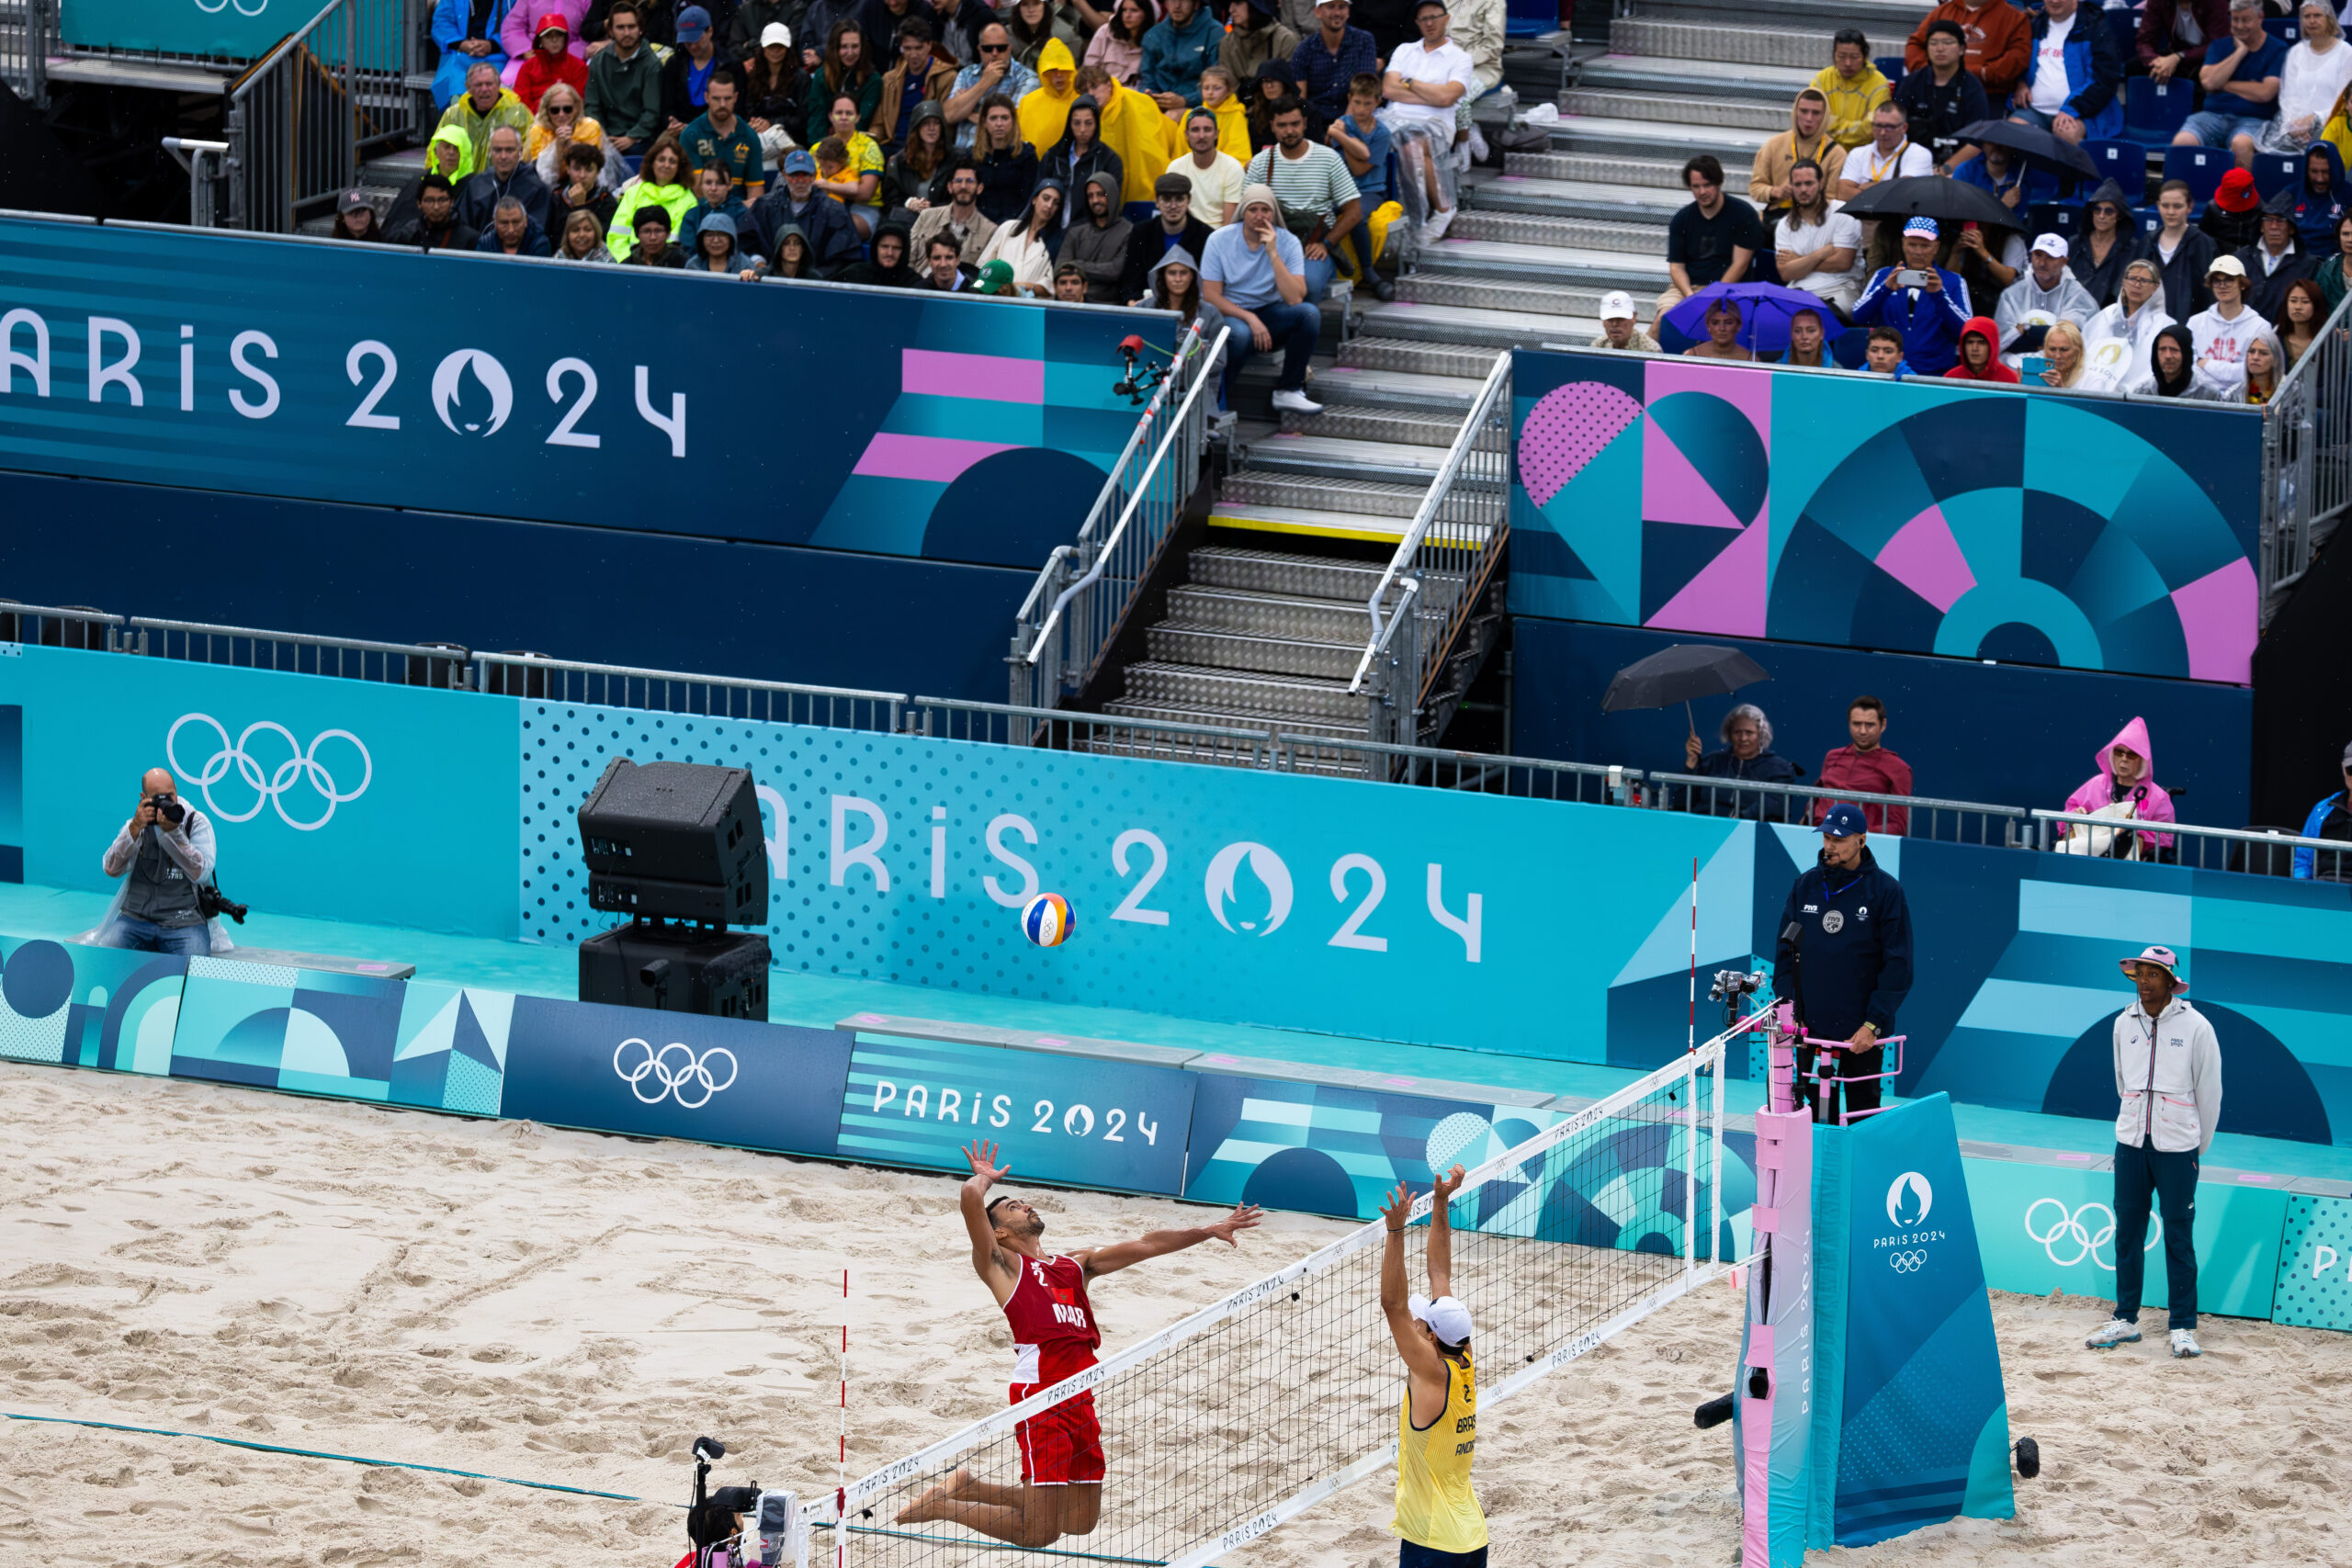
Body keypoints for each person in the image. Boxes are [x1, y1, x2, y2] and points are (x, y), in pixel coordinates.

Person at [894, 1141, 1262, 1549]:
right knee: (1040, 1532)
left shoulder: (1075, 1265)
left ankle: (969, 1485)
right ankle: (946, 1507)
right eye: (1014, 1207)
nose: (1026, 1206)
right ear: (998, 1231)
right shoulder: (1001, 1265)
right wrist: (983, 1177)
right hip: (1042, 1396)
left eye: (1024, 1202)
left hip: (1080, 1396)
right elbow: (968, 1198)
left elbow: (1147, 1244)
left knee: (1080, 1519)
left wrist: (1207, 1231)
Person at [2084, 947, 2220, 1361]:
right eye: (2138, 974)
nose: (2143, 982)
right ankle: (2126, 1319)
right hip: (2129, 1144)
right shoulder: (2122, 1024)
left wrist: (2196, 1146)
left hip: (2178, 1148)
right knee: (2127, 1233)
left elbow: (2209, 1093)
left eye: (2151, 976)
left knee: (2179, 1237)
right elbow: (2122, 1079)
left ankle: (2182, 1327)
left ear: (2170, 981)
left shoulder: (2197, 1027)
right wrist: (2133, 1123)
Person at [1773, 802, 1912, 1122]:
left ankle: (1860, 1175)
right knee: (1815, 1117)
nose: (1830, 845)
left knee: (1863, 1116)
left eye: (1839, 839)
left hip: (1860, 1034)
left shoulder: (1886, 891)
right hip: (1810, 1029)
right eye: (1826, 837)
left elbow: (1899, 965)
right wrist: (1790, 1010)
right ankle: (1818, 1174)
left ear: (1861, 841)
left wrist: (1873, 1024)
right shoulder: (1805, 885)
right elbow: (1784, 955)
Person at [1376, 1165, 1486, 1568]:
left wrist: (1395, 1232)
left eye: (1423, 1322)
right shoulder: (1463, 1355)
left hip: (1435, 1545)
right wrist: (1441, 1201)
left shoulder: (1432, 1373)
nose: (1416, 1322)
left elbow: (1393, 1307)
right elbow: (1440, 1271)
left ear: (1432, 1338)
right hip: (1472, 1537)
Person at [1201, 183, 1321, 412]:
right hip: (1231, 312)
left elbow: (1295, 298)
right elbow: (1210, 296)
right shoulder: (1219, 239)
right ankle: (1215, 402)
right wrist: (1249, 318)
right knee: (1241, 333)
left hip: (1270, 311)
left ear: (1273, 214)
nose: (1259, 216)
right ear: (1243, 213)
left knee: (1309, 314)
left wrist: (1273, 252)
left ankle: (1290, 390)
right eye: (1252, 210)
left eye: (1265, 210)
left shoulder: (1288, 241)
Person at [96, 769, 220, 958]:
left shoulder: (195, 822)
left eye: (170, 795)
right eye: (158, 798)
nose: (166, 802)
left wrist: (173, 834)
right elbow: (110, 868)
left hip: (185, 920)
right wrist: (134, 829)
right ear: (143, 797)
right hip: (135, 919)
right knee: (106, 961)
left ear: (176, 790)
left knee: (194, 970)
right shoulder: (137, 825)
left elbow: (201, 872)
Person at [1246, 98, 1361, 299]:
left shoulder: (1328, 158)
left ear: (1305, 123)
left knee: (1309, 286)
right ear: (1272, 126)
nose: (1289, 131)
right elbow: (1245, 211)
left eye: (1295, 124)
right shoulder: (1260, 162)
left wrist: (1326, 243)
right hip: (1271, 244)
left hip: (1313, 246)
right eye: (1282, 125)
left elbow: (1354, 211)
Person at [1381, 0, 1474, 240]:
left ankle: (1434, 213)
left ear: (1446, 18)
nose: (1430, 23)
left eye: (1434, 17)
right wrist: (1432, 94)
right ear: (1417, 23)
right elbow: (1389, 90)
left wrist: (1410, 82)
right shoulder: (1404, 50)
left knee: (1411, 144)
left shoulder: (1460, 57)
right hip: (1393, 117)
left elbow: (1448, 97)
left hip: (1436, 125)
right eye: (1424, 19)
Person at [1852, 215, 1972, 374]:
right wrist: (1885, 288)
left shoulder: (1953, 281)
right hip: (1888, 373)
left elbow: (1966, 331)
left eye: (1925, 246)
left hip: (1934, 375)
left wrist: (1939, 296)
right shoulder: (1884, 276)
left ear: (1936, 247)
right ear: (1903, 244)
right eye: (1912, 245)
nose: (1918, 252)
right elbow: (1859, 316)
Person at [2176, 0, 2287, 169]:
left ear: (2260, 17)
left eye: (2246, 20)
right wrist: (2240, 52)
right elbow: (2208, 82)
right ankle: (2182, 195)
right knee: (2182, 142)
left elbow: (2265, 92)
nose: (2240, 26)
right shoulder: (2219, 46)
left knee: (2241, 145)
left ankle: (2240, 194)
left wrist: (2224, 84)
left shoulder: (2277, 48)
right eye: (2235, 20)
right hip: (2212, 116)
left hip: (2253, 120)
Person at [1657, 153, 1764, 319]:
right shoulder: (1682, 219)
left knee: (1716, 321)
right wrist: (1690, 296)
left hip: (1731, 288)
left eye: (1707, 185)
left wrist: (1713, 296)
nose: (1702, 192)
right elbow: (1676, 267)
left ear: (1718, 182)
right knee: (1663, 320)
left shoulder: (1743, 214)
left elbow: (1740, 264)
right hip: (1688, 287)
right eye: (1696, 186)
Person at [2010, 0, 2123, 145]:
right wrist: (2021, 83)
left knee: (2067, 134)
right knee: (2010, 134)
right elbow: (2020, 60)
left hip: (2080, 113)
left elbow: (2105, 79)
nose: (2055, 1)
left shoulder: (2095, 26)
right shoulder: (2036, 25)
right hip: (2035, 110)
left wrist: (2072, 109)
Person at [2062, 717, 2177, 858]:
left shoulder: (2158, 797)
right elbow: (2067, 816)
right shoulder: (2095, 784)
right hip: (2089, 850)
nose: (2124, 759)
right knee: (2072, 833)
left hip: (2130, 861)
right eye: (2119, 752)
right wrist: (2077, 814)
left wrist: (2138, 833)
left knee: (2134, 837)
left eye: (2131, 754)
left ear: (2142, 760)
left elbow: (2164, 838)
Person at [1326, 73, 1392, 293]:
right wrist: (1351, 143)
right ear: (1349, 99)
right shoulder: (1342, 123)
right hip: (1341, 189)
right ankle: (1329, 260)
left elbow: (1360, 169)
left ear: (1377, 102)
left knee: (1357, 216)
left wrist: (1343, 138)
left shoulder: (1382, 133)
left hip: (1370, 190)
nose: (1362, 109)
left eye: (1367, 103)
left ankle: (1368, 270)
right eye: (1356, 102)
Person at [1894, 20, 1991, 167]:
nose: (1940, 48)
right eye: (1933, 43)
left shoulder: (1972, 87)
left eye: (1947, 42)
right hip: (1913, 163)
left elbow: (1976, 142)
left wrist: (1944, 170)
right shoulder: (1912, 83)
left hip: (1956, 166)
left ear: (1961, 49)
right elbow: (1895, 127)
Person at [1773, 159, 1863, 315]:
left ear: (1821, 184)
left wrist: (1798, 260)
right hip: (1798, 290)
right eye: (1797, 184)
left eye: (1809, 183)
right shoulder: (1784, 224)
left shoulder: (1843, 212)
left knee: (1820, 314)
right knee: (1772, 317)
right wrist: (1819, 255)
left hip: (1840, 289)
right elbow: (1786, 273)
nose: (1803, 189)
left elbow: (1843, 262)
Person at [1814, 696, 1912, 835]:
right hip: (1819, 838)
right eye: (1856, 724)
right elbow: (1814, 805)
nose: (1862, 731)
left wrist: (1863, 834)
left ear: (1883, 725)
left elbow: (1899, 825)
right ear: (1849, 723)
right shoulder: (1832, 757)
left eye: (1869, 725)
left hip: (1862, 845)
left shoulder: (1899, 768)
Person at [1996, 232, 2098, 364]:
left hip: (2061, 369)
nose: (2042, 263)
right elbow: (2002, 341)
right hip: (2012, 368)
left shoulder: (2077, 295)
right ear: (2031, 256)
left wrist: (2028, 330)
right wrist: (2044, 339)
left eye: (2051, 257)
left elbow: (2071, 337)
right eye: (2038, 255)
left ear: (2064, 262)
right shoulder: (2012, 294)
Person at [752, 145, 863, 266]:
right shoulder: (765, 206)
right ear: (784, 175)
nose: (800, 181)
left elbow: (844, 256)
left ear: (814, 175)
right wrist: (760, 264)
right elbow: (749, 241)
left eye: (805, 175)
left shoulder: (834, 211)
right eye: (794, 175)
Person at [1903, 0, 2031, 104]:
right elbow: (1914, 45)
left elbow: (2018, 58)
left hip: (1988, 95)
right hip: (1935, 90)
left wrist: (1983, 73)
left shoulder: (2015, 19)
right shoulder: (1941, 12)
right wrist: (1932, 70)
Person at [1749, 89, 1847, 221]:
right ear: (1795, 112)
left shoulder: (1837, 153)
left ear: (1825, 116)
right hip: (1778, 215)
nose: (1809, 118)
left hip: (1816, 219)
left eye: (1816, 113)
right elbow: (1755, 189)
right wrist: (1775, 191)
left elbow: (1833, 200)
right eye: (1804, 111)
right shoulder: (1774, 144)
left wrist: (1807, 194)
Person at [2083, 258, 2177, 388]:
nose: (2137, 285)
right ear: (2124, 282)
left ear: (2155, 287)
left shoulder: (2164, 324)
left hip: (2139, 395)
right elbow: (2084, 349)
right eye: (2132, 279)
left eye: (2144, 281)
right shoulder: (2107, 315)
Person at [945, 24, 1039, 151]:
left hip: (1001, 156)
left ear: (1009, 48)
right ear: (980, 49)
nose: (994, 54)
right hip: (963, 157)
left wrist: (967, 112)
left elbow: (1012, 125)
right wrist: (984, 83)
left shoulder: (1027, 78)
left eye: (1001, 48)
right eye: (988, 49)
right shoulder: (966, 74)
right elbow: (949, 115)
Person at [1121, 173, 1216, 298]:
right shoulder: (1141, 232)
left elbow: (1208, 285)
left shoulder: (1206, 235)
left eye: (1179, 199)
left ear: (1189, 200)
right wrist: (1132, 301)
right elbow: (1131, 278)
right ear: (1156, 201)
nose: (1173, 206)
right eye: (1166, 199)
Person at [585, 0, 663, 152]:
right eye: (620, 27)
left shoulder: (651, 64)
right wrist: (601, 136)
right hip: (605, 136)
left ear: (640, 29)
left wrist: (631, 137)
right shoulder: (598, 63)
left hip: (640, 139)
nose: (626, 33)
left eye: (631, 27)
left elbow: (652, 112)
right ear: (610, 32)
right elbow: (592, 107)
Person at [2187, 253, 2272, 391]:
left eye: (2229, 279)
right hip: (2201, 398)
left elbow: (2253, 370)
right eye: (2216, 281)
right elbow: (2189, 367)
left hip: (2243, 401)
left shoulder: (2260, 326)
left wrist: (2207, 364)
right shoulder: (2195, 322)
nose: (2222, 285)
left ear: (2242, 284)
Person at [2138, 177, 2220, 320]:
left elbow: (2211, 295)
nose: (2170, 212)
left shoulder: (2204, 245)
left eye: (2177, 206)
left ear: (2190, 207)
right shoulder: (2148, 241)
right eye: (2165, 205)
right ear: (2158, 206)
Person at [1683, 703, 1800, 798]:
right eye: (1737, 732)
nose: (1743, 738)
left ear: (1761, 734)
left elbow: (1775, 804)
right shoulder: (1712, 761)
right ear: (1729, 734)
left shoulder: (1779, 768)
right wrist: (1691, 763)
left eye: (1749, 733)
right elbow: (1682, 802)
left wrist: (1739, 819)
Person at [2278, 2, 2352, 152]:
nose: (2311, 21)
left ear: (2329, 18)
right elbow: (2287, 98)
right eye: (2307, 16)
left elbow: (2343, 101)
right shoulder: (2295, 52)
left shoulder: (2346, 53)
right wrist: (2293, 126)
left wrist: (2314, 120)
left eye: (2317, 15)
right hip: (2296, 129)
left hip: (2331, 126)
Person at [607, 130, 695, 255]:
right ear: (652, 163)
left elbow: (681, 244)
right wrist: (628, 263)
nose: (666, 165)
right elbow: (617, 236)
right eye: (661, 159)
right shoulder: (633, 193)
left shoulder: (688, 200)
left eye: (672, 161)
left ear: (679, 168)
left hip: (667, 268)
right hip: (628, 266)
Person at [684, 71, 769, 199]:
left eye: (727, 98)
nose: (722, 104)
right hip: (703, 209)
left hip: (739, 210)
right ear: (706, 97)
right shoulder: (691, 134)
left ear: (735, 97)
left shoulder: (749, 136)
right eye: (716, 99)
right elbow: (698, 189)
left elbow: (755, 188)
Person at [874, 19, 956, 152]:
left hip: (926, 148)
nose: (913, 55)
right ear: (901, 48)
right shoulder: (889, 79)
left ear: (929, 45)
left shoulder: (946, 77)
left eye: (918, 48)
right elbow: (878, 124)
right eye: (907, 48)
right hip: (892, 145)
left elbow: (945, 125)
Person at [2237, 188, 2316, 319]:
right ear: (2261, 227)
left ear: (2291, 228)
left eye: (2280, 220)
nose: (2274, 226)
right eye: (2268, 220)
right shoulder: (2241, 259)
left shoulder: (2308, 265)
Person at [978, 178, 1066, 294]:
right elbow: (983, 266)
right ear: (1034, 199)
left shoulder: (1057, 242)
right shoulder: (1008, 228)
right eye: (1046, 198)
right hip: (995, 299)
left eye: (1056, 202)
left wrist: (1016, 288)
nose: (1049, 205)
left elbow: (1050, 286)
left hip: (1030, 307)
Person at [1293, 0, 1377, 120]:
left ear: (1348, 12)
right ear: (1318, 12)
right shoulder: (1303, 49)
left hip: (1354, 117)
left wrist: (1342, 126)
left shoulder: (1364, 41)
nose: (1337, 13)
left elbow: (1364, 88)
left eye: (1342, 7)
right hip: (1316, 120)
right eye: (1331, 7)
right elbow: (1301, 98)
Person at [458, 124, 552, 231]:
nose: (503, 156)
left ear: (520, 152)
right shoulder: (476, 185)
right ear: (489, 152)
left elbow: (537, 233)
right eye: (497, 150)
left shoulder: (536, 189)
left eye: (509, 150)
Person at [439, 61, 536, 165]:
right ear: (468, 87)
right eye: (478, 85)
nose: (484, 89)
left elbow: (530, 151)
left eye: (489, 84)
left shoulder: (519, 113)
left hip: (506, 178)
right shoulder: (454, 115)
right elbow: (437, 151)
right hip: (462, 179)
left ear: (499, 85)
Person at [1832, 101, 1932, 200]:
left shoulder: (1919, 154)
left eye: (1889, 127)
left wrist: (1867, 187)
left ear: (1904, 128)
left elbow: (1904, 193)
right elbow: (1842, 193)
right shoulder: (1857, 153)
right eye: (1878, 126)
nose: (1883, 132)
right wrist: (1888, 189)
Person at [1042, 94, 1125, 212]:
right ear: (1070, 125)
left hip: (1089, 228)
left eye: (1088, 123)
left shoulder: (1109, 159)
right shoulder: (1054, 156)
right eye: (1076, 123)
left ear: (1096, 124)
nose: (1082, 130)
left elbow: (1112, 205)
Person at [739, 21, 808, 163]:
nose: (775, 51)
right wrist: (755, 124)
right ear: (763, 48)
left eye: (780, 47)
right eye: (771, 46)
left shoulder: (801, 77)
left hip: (791, 140)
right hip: (759, 137)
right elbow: (747, 111)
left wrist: (771, 124)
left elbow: (803, 117)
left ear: (787, 48)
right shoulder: (753, 76)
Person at [805, 20, 883, 143]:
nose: (850, 53)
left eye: (855, 46)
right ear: (835, 47)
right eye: (844, 47)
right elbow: (817, 117)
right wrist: (819, 147)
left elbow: (862, 120)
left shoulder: (872, 79)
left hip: (857, 144)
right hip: (825, 144)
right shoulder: (822, 75)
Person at [431, 0, 518, 109]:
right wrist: (461, 44)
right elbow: (441, 23)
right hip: (459, 55)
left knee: (498, 88)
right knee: (456, 89)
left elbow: (516, 27)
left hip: (498, 55)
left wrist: (492, 45)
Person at [1812, 28, 1890, 149]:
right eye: (1841, 56)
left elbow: (1871, 129)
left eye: (1854, 57)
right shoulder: (1821, 80)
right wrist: (1858, 127)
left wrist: (1831, 124)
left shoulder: (1879, 84)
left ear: (1865, 56)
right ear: (1834, 55)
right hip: (1825, 150)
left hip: (1863, 153)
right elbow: (1813, 120)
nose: (1847, 63)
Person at [909, 157, 999, 260]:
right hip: (922, 275)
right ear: (950, 187)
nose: (963, 186)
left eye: (969, 181)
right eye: (959, 181)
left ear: (979, 188)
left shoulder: (989, 230)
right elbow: (909, 258)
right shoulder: (927, 216)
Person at [1062, 171, 1134, 299]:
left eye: (1101, 194)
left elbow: (1115, 271)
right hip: (1075, 303)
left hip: (1109, 306)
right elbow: (1061, 270)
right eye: (1090, 196)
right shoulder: (1075, 232)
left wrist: (1077, 265)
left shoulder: (1129, 231)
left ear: (1112, 195)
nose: (1095, 200)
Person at [2067, 178, 2136, 308]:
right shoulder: (2075, 243)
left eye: (2109, 211)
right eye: (2097, 210)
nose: (2101, 216)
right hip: (2072, 311)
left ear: (2119, 216)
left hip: (2111, 315)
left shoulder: (2132, 248)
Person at [1141, 0, 1220, 110]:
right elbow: (1147, 76)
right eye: (1172, 0)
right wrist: (1150, 94)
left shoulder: (1214, 33)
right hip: (1157, 104)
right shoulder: (1153, 35)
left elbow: (1219, 82)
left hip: (1199, 107)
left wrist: (1185, 100)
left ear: (1196, 5)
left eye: (1184, 1)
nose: (1177, 6)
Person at [973, 95, 1042, 220]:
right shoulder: (973, 157)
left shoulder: (1026, 155)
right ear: (984, 122)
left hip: (1015, 226)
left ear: (1013, 121)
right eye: (993, 118)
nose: (999, 124)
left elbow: (1029, 200)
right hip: (979, 227)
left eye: (1004, 118)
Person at [2291, 741, 2352, 880]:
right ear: (2343, 769)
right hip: (2323, 888)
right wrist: (2303, 887)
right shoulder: (2323, 809)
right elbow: (2302, 858)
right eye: (2351, 769)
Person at [881, 99, 952, 213]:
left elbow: (958, 197)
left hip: (941, 219)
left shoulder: (954, 159)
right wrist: (909, 203)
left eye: (936, 123)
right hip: (907, 219)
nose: (932, 128)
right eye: (926, 123)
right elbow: (889, 200)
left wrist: (932, 207)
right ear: (917, 127)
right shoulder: (900, 160)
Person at [2138, 0, 2231, 86]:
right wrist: (2156, 61)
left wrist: (2179, 56)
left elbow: (2218, 45)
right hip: (2176, 51)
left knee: (2203, 77)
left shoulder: (2216, 2)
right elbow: (2145, 40)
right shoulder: (2158, 2)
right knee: (2134, 67)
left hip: (2207, 57)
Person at [661, 6, 727, 127]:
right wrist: (672, 123)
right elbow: (667, 107)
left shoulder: (729, 65)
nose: (692, 46)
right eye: (687, 41)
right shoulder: (674, 64)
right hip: (681, 130)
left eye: (697, 39)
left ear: (710, 31)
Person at [515, 12, 590, 110]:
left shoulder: (579, 66)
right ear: (540, 40)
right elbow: (522, 104)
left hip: (568, 118)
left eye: (559, 35)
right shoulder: (528, 67)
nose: (554, 40)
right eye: (548, 35)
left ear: (565, 38)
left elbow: (579, 101)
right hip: (535, 121)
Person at [389, 173, 481, 250]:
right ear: (419, 203)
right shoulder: (408, 233)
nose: (436, 207)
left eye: (442, 200)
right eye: (429, 200)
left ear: (452, 202)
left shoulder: (469, 239)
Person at [677, 157, 750, 250]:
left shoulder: (743, 214)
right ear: (701, 185)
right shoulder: (692, 215)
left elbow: (744, 247)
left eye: (719, 183)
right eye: (708, 183)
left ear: (730, 185)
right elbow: (689, 250)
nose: (713, 188)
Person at [2290, 141, 2346, 253]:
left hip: (2336, 262)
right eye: (2314, 172)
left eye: (2325, 172)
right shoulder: (2291, 193)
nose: (2320, 179)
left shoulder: (2349, 195)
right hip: (2296, 261)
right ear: (2306, 170)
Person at [2143, 320, 2223, 396]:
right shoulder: (2143, 392)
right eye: (2163, 349)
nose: (2168, 356)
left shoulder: (2208, 394)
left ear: (2186, 354)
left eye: (2174, 350)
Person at [1085, 0, 1153, 85]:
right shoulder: (1105, 31)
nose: (1127, 15)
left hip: (1135, 96)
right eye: (1124, 10)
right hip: (1102, 91)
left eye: (1134, 10)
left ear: (1147, 14)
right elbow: (1089, 68)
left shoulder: (1154, 40)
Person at [1006, 0, 1081, 73]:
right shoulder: (1008, 34)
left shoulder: (1064, 33)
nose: (1031, 10)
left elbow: (1070, 71)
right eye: (1025, 4)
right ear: (1018, 8)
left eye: (1036, 3)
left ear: (1045, 6)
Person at [839, 216, 919, 282]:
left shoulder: (912, 281)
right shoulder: (855, 273)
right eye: (885, 246)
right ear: (875, 247)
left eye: (896, 248)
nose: (890, 253)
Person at [1945, 314, 2020, 380]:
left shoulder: (2010, 380)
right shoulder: (1950, 378)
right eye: (1970, 342)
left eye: (1981, 343)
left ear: (1992, 346)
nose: (1974, 348)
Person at [476, 193, 554, 254]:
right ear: (495, 223)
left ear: (525, 220)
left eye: (516, 222)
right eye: (504, 223)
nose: (511, 230)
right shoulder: (486, 243)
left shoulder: (539, 244)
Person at [2278, 276, 2329, 367]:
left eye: (2305, 302)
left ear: (2316, 305)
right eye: (2293, 301)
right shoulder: (2276, 339)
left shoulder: (2328, 343)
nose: (2298, 307)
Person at [1682, 299, 1755, 360]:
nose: (1722, 328)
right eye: (1715, 323)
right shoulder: (1692, 356)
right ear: (1708, 326)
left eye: (1728, 323)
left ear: (1739, 326)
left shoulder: (1751, 359)